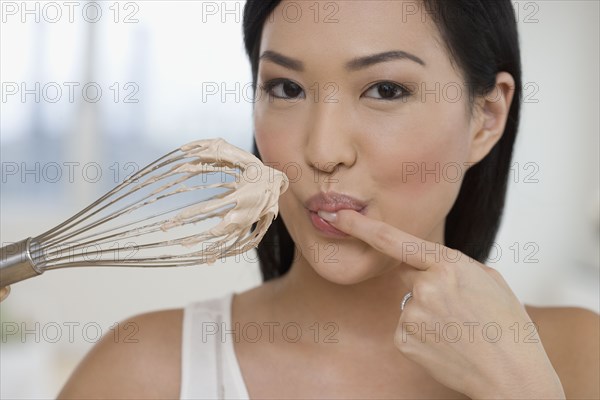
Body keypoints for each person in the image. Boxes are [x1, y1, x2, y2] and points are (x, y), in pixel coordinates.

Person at [56, 0, 599, 398]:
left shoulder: (579, 357)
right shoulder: (140, 372)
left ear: (486, 118)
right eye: (286, 88)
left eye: (385, 90)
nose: (322, 150)